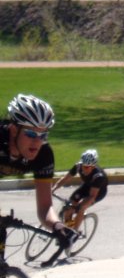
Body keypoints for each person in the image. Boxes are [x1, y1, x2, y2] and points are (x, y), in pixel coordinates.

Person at [0, 94, 76, 264]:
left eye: (43, 135)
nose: (37, 142)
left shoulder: (43, 155)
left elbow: (45, 206)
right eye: (30, 133)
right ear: (13, 130)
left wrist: (56, 225)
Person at [52, 149, 108, 230]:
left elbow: (92, 196)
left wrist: (78, 207)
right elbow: (65, 179)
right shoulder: (78, 166)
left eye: (87, 167)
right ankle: (69, 229)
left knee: (81, 208)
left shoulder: (98, 176)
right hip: (87, 186)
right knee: (68, 209)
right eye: (83, 166)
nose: (84, 169)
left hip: (98, 192)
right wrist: (53, 189)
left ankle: (75, 232)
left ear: (93, 166)